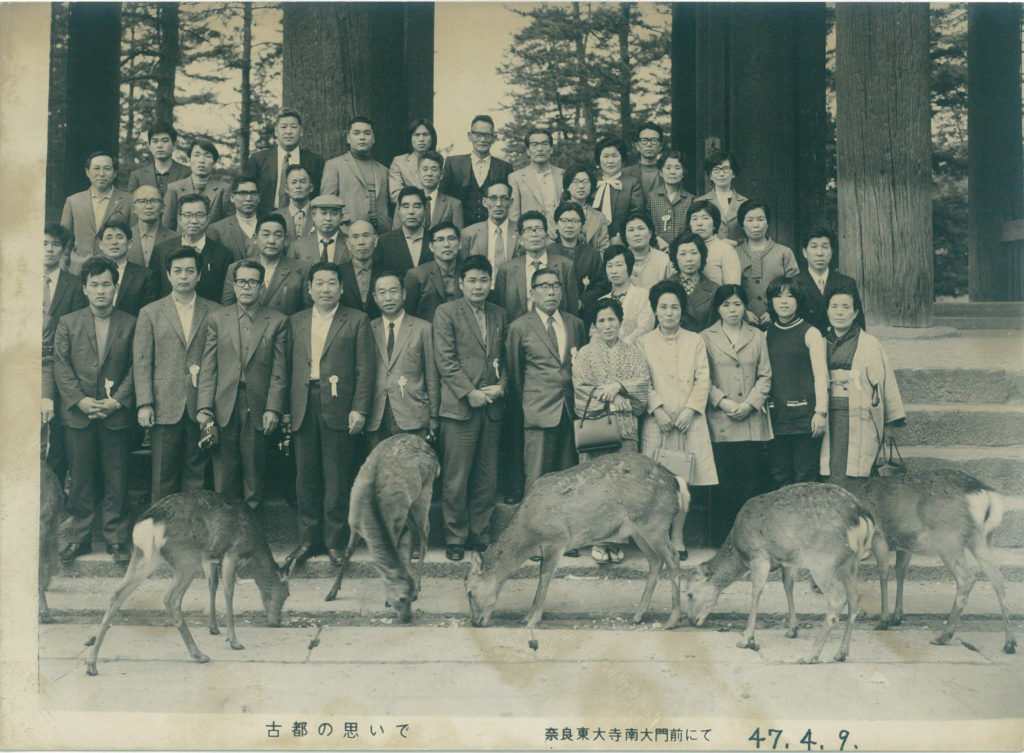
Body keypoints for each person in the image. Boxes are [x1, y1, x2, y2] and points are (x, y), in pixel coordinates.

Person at [284, 261, 376, 571]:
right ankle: (308, 541)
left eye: (332, 283)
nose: (325, 289)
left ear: (342, 287)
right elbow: (285, 369)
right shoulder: (295, 321)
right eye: (319, 283)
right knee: (304, 478)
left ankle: (336, 542)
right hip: (303, 405)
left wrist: (359, 408)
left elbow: (365, 370)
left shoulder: (357, 320)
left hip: (340, 406)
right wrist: (285, 408)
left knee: (337, 478)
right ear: (309, 288)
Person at [52, 257, 136, 563]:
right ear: (85, 289)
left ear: (115, 287)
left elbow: (136, 367)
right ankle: (78, 538)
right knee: (81, 478)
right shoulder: (68, 323)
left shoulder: (131, 323)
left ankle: (116, 539)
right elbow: (61, 367)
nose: (101, 291)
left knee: (117, 479)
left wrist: (117, 401)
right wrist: (81, 400)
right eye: (95, 285)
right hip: (79, 414)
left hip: (116, 414)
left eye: (106, 284)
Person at [432, 255, 508, 561]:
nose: (478, 286)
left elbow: (504, 358)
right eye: (472, 280)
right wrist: (468, 392)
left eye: (483, 280)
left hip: (491, 407)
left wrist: (502, 386)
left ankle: (480, 535)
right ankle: (455, 537)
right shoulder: (446, 312)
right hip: (460, 408)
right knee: (456, 477)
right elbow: (445, 360)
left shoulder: (499, 313)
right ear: (460, 284)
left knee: (486, 477)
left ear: (491, 283)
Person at [197, 259, 288, 509]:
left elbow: (280, 371)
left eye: (252, 282)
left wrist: (273, 408)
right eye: (241, 282)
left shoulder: (278, 321)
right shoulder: (217, 318)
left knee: (254, 471)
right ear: (234, 286)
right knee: (224, 474)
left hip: (257, 405)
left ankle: (249, 530)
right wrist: (204, 407)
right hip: (223, 404)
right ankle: (225, 529)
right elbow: (208, 366)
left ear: (262, 286)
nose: (246, 287)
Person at [638, 280, 717, 558]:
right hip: (656, 421)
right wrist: (657, 409)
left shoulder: (695, 340)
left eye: (674, 307)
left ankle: (678, 536)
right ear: (655, 310)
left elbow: (703, 378)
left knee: (683, 481)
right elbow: (641, 380)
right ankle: (657, 536)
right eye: (663, 307)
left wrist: (690, 410)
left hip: (688, 422)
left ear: (681, 310)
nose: (669, 312)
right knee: (655, 481)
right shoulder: (643, 342)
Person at [134, 246, 219, 503]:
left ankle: (192, 537)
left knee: (197, 476)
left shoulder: (215, 311)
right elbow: (141, 360)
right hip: (164, 404)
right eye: (178, 271)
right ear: (168, 275)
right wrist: (145, 403)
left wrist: (210, 406)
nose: (184, 276)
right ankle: (162, 538)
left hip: (200, 405)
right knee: (163, 477)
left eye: (190, 271)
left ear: (199, 275)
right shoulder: (151, 312)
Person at [572, 297, 651, 564]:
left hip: (626, 428)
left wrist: (619, 386)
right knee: (595, 486)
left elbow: (642, 387)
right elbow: (581, 392)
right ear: (594, 325)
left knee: (623, 484)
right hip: (596, 428)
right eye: (602, 320)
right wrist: (611, 396)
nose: (607, 325)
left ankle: (617, 540)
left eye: (612, 320)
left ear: (620, 322)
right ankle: (597, 539)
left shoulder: (634, 352)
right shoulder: (584, 354)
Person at [701, 284, 773, 546]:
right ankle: (721, 540)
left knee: (750, 483)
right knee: (723, 483)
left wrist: (751, 404)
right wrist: (725, 403)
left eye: (737, 304)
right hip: (721, 419)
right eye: (726, 305)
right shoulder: (705, 337)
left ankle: (749, 540)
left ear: (745, 307)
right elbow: (702, 379)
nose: (732, 310)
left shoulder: (757, 336)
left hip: (751, 419)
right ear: (718, 309)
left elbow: (765, 376)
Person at [506, 268, 586, 496]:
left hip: (571, 411)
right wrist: (530, 403)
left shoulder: (575, 324)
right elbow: (515, 374)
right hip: (537, 412)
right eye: (544, 286)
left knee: (570, 481)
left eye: (556, 286)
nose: (551, 291)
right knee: (537, 480)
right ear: (532, 292)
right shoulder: (519, 327)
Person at [820, 285, 905, 485]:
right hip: (828, 415)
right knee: (829, 469)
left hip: (860, 414)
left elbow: (887, 383)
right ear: (827, 311)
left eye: (846, 307)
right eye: (834, 307)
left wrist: (889, 423)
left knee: (857, 471)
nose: (839, 312)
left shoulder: (870, 343)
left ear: (856, 312)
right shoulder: (820, 342)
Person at [764, 276, 829, 488]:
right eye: (778, 296)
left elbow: (821, 376)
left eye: (790, 296)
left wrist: (820, 412)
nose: (784, 301)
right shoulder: (766, 335)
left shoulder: (810, 332)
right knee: (778, 476)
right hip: (776, 418)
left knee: (805, 476)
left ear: (798, 300)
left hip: (805, 420)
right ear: (771, 301)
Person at [365, 269, 440, 448]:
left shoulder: (423, 329)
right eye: (382, 293)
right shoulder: (367, 329)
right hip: (376, 415)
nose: (388, 298)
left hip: (413, 414)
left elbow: (432, 375)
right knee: (380, 472)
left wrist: (434, 416)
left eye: (393, 291)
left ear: (404, 294)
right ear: (375, 298)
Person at [43, 224, 88, 482]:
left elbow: (78, 330)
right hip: (28, 367)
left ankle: (55, 490)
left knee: (57, 435)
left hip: (61, 367)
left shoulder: (73, 285)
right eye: (44, 243)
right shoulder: (17, 277)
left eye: (55, 245)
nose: (49, 250)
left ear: (64, 250)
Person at [493, 211, 578, 321]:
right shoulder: (506, 269)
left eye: (538, 229)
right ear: (520, 240)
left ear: (547, 238)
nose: (534, 234)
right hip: (519, 331)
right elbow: (500, 309)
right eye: (528, 230)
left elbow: (572, 308)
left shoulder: (565, 265)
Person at [222, 214, 310, 316]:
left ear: (286, 240)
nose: (271, 241)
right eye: (266, 235)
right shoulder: (236, 268)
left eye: (277, 235)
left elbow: (306, 314)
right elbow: (227, 311)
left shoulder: (302, 269)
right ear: (255, 238)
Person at [150, 194, 234, 301]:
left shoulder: (223, 254)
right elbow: (154, 293)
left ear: (208, 218)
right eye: (188, 215)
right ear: (179, 219)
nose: (194, 221)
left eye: (200, 215)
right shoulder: (161, 251)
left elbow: (226, 296)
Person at [243, 107, 325, 216]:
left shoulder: (315, 161)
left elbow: (319, 194)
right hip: (265, 218)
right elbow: (246, 190)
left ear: (301, 131)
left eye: (294, 127)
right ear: (276, 131)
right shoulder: (258, 159)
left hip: (302, 217)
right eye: (283, 127)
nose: (289, 131)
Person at [60, 151, 132, 273]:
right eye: (96, 169)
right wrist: (63, 263)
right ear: (88, 172)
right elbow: (65, 239)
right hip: (79, 269)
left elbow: (132, 238)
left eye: (107, 169)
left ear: (115, 173)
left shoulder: (128, 200)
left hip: (115, 269)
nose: (101, 174)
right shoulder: (73, 201)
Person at [320, 116, 391, 234]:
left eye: (367, 133)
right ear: (348, 138)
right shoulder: (334, 165)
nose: (362, 137)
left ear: (373, 138)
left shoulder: (383, 170)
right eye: (356, 133)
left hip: (381, 234)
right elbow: (327, 203)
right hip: (348, 233)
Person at [735, 200, 799, 327]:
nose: (755, 225)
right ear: (742, 225)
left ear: (768, 223)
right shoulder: (733, 254)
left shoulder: (784, 253)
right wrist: (743, 313)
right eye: (749, 220)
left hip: (780, 322)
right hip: (743, 324)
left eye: (760, 219)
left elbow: (796, 289)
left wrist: (775, 312)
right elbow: (730, 290)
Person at [441, 115, 513, 227]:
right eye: (478, 134)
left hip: (491, 230)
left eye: (488, 135)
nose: (483, 139)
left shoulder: (505, 168)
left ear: (494, 138)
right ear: (470, 136)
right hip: (459, 229)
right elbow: (443, 199)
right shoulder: (453, 163)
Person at [794, 228, 865, 334]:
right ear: (805, 252)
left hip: (838, 345)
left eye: (825, 247)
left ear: (831, 252)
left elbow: (858, 323)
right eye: (814, 247)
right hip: (806, 345)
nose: (820, 253)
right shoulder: (794, 283)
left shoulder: (846, 282)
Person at [583, 246, 655, 346]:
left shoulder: (644, 295)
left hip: (635, 354)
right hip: (605, 357)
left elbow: (643, 330)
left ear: (629, 267)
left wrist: (619, 348)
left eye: (619, 265)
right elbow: (594, 334)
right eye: (610, 266)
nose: (614, 271)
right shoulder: (602, 300)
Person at [162, 138, 232, 231]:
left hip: (212, 244)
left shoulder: (224, 189)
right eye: (197, 155)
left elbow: (228, 226)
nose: (202, 160)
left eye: (207, 156)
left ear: (214, 163)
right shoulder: (174, 188)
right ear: (189, 159)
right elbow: (167, 227)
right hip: (181, 243)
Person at [96, 220, 157, 317]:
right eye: (109, 238)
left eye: (119, 237)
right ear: (101, 245)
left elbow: (148, 314)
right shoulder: (90, 274)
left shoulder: (144, 276)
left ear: (129, 243)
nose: (114, 242)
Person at [404, 222, 463, 321]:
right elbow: (408, 315)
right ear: (431, 246)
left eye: (451, 239)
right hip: (428, 332)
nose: (446, 245)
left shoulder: (468, 272)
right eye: (440, 240)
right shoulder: (416, 275)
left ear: (460, 244)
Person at [591, 135, 644, 244]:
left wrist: (623, 237)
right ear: (598, 159)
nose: (610, 161)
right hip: (593, 242)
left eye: (615, 156)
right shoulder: (592, 183)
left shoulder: (632, 184)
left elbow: (637, 215)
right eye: (605, 156)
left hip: (622, 241)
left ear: (622, 158)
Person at [459, 180, 519, 274]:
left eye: (503, 198)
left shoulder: (520, 231)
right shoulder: (469, 233)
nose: (498, 204)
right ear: (484, 202)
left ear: (511, 202)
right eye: (493, 198)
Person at [509, 128, 564, 230]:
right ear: (528, 151)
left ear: (551, 149)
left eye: (544, 144)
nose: (540, 149)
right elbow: (514, 216)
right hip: (530, 237)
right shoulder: (516, 178)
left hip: (560, 238)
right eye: (534, 145)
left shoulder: (562, 175)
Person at [549, 201, 604, 301]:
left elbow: (601, 285)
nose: (569, 225)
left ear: (582, 226)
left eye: (575, 221)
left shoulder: (592, 254)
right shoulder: (548, 253)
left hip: (584, 312)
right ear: (556, 225)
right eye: (564, 221)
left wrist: (582, 301)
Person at [395, 150, 462, 230]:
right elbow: (396, 234)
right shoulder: (404, 201)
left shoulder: (454, 205)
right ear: (418, 173)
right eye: (425, 169)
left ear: (441, 175)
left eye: (434, 169)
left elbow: (458, 237)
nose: (429, 174)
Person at [668, 231, 719, 332]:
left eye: (694, 253)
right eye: (682, 254)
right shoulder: (665, 287)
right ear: (675, 258)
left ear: (702, 256)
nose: (689, 259)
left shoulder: (714, 290)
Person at [378, 187, 432, 276]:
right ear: (398, 210)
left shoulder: (434, 238)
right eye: (406, 206)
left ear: (425, 209)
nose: (411, 212)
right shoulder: (384, 242)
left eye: (417, 206)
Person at [696, 149, 747, 243]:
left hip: (737, 253)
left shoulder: (744, 202)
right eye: (716, 169)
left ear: (733, 174)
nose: (721, 174)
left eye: (726, 169)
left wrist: (737, 242)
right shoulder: (700, 202)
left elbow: (749, 234)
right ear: (710, 176)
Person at [686, 199, 741, 286]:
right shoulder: (683, 249)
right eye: (695, 219)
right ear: (689, 224)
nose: (699, 223)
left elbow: (732, 288)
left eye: (705, 218)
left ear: (715, 224)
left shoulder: (726, 250)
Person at [127, 121, 191, 196]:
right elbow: (132, 205)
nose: (159, 145)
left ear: (174, 145)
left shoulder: (187, 173)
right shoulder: (137, 176)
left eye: (165, 141)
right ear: (149, 146)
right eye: (155, 141)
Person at [338, 219, 384, 320]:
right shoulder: (338, 273)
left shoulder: (387, 272)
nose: (361, 242)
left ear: (375, 241)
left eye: (366, 236)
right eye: (355, 237)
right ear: (348, 243)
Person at [647, 151, 695, 247]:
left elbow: (691, 229)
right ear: (661, 172)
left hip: (682, 250)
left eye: (677, 168)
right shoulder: (651, 197)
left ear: (683, 172)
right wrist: (658, 241)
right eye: (668, 168)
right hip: (656, 249)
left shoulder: (691, 200)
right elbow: (647, 225)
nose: (672, 172)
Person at [207, 177, 261, 261]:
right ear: (232, 197)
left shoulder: (268, 225)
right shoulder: (217, 229)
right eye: (243, 193)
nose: (248, 198)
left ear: (259, 197)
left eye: (253, 194)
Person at [562, 164, 611, 252]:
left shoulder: (600, 218)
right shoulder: (557, 213)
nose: (581, 186)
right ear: (567, 187)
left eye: (585, 182)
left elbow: (604, 249)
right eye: (576, 181)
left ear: (591, 186)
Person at [292, 194, 349, 266]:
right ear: (313, 215)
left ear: (341, 217)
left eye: (334, 214)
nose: (328, 218)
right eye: (323, 213)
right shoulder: (298, 246)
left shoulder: (349, 244)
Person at [388, 117, 437, 202]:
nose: (421, 139)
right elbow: (395, 195)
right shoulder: (399, 162)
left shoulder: (442, 162)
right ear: (410, 138)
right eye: (416, 135)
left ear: (432, 137)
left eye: (425, 134)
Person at [127, 185, 175, 267]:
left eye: (154, 201)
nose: (148, 206)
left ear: (162, 207)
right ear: (133, 208)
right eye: (142, 201)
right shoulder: (124, 237)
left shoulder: (175, 238)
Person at [624, 213, 673, 289]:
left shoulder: (664, 260)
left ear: (650, 233)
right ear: (625, 236)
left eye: (641, 228)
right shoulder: (619, 260)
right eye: (631, 230)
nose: (636, 234)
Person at [622, 121, 665, 200]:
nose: (649, 144)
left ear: (660, 146)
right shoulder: (624, 173)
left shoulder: (668, 172)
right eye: (644, 140)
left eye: (654, 140)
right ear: (637, 146)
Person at [274, 164, 316, 240]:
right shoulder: (275, 216)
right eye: (293, 182)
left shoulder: (320, 214)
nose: (298, 186)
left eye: (303, 182)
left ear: (311, 187)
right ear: (286, 188)